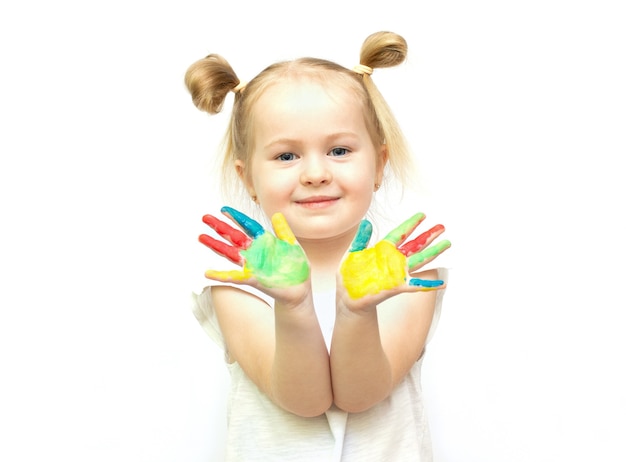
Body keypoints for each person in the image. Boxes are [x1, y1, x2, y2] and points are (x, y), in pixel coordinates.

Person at [185, 31, 451, 461]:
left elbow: (359, 396)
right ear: (248, 178)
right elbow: (304, 401)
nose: (314, 173)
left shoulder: (404, 273)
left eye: (340, 150)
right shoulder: (240, 284)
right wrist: (292, 306)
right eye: (286, 156)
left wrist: (357, 310)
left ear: (379, 164)